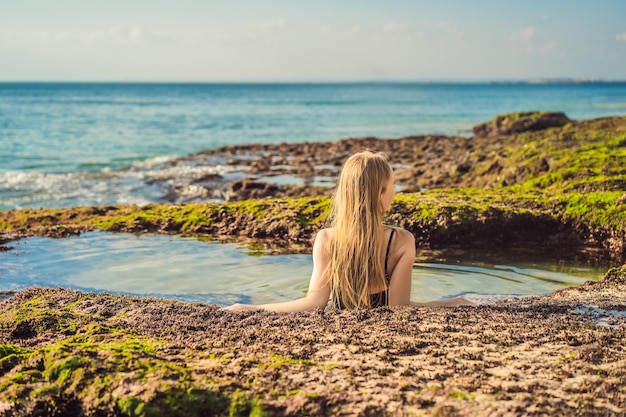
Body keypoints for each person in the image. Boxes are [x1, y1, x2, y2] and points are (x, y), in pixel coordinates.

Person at [224, 150, 474, 312]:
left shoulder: (327, 239)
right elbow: (400, 306)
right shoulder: (402, 241)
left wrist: (248, 309)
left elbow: (314, 303)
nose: (395, 191)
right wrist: (450, 302)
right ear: (380, 193)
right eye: (392, 185)